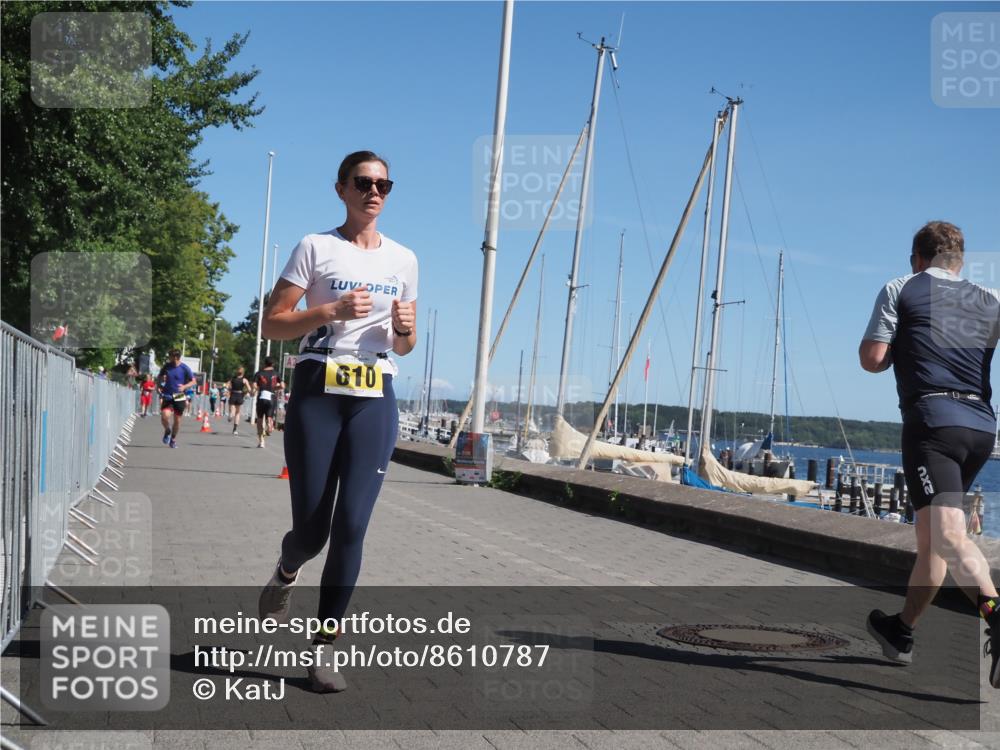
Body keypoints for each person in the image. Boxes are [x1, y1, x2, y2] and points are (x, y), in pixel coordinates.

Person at [257, 150, 417, 692]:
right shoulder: (316, 247)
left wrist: (404, 329)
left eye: (384, 184)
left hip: (375, 392)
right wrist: (329, 312)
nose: (374, 192)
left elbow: (406, 345)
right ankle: (286, 568)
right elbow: (273, 326)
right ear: (341, 188)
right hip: (318, 389)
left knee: (351, 526)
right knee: (312, 530)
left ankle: (323, 649)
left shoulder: (404, 260)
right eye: (364, 182)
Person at [860, 221, 1000, 686]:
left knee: (950, 536)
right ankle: (901, 632)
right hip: (980, 427)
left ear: (917, 258)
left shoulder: (902, 288)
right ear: (958, 264)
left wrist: (903, 343)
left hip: (933, 424)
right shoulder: (989, 297)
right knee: (933, 537)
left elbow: (873, 359)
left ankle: (997, 617)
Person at [156, 349, 197, 449]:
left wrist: (184, 387)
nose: (168, 358)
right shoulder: (167, 366)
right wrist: (158, 386)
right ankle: (167, 430)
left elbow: (194, 381)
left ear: (175, 357)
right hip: (168, 394)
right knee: (164, 416)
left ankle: (173, 439)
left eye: (169, 356)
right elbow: (159, 377)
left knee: (177, 420)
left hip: (179, 396)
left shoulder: (184, 368)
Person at [252, 358, 282, 448]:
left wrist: (260, 389)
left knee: (260, 419)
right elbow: (283, 385)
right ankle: (270, 425)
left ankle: (261, 441)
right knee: (269, 416)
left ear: (264, 364)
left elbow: (254, 385)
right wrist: (274, 388)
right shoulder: (276, 374)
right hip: (271, 397)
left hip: (261, 396)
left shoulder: (259, 373)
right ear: (272, 364)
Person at [228, 368, 250, 434]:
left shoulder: (233, 379)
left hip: (233, 394)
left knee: (232, 410)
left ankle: (231, 415)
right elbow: (249, 388)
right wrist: (245, 392)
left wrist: (230, 390)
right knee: (237, 413)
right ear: (243, 373)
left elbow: (228, 386)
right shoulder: (244, 380)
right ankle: (235, 429)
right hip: (240, 395)